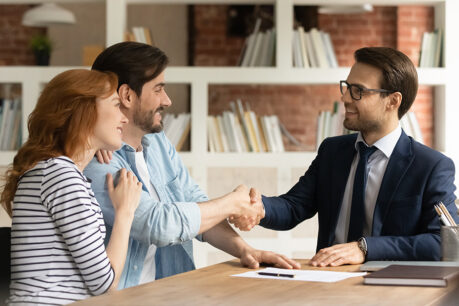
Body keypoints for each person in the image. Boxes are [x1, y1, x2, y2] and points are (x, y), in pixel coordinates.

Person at [85, 42, 300, 289]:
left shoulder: (157, 143)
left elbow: (194, 204)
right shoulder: (99, 159)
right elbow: (158, 224)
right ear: (127, 95)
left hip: (172, 291)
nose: (167, 100)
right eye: (158, 89)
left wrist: (245, 250)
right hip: (127, 298)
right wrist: (232, 202)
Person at [233, 47, 458, 266]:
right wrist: (260, 208)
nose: (345, 98)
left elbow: (443, 242)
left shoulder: (431, 167)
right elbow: (294, 207)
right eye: (347, 87)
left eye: (358, 90)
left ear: (393, 101)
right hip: (327, 282)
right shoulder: (332, 151)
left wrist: (365, 248)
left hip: (391, 289)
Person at [0, 69, 143, 305]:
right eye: (116, 105)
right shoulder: (61, 175)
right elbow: (104, 283)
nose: (124, 117)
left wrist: (94, 141)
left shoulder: (54, 170)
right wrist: (125, 212)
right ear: (83, 110)